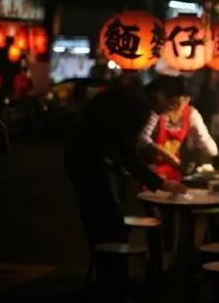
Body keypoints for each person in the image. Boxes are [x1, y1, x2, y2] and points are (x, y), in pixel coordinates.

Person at [64, 75, 187, 302]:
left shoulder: (133, 98)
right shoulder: (139, 106)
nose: (169, 110)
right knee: (110, 226)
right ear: (159, 95)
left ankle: (108, 284)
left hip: (82, 157)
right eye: (169, 104)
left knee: (102, 225)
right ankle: (115, 289)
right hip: (90, 162)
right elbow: (128, 153)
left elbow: (120, 147)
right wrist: (161, 183)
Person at [140, 78, 219, 182]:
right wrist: (170, 158)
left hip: (174, 171)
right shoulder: (159, 110)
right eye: (175, 101)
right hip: (151, 169)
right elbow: (142, 139)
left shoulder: (191, 113)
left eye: (183, 100)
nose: (178, 104)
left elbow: (204, 139)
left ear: (188, 99)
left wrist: (216, 157)